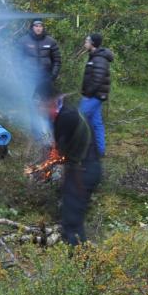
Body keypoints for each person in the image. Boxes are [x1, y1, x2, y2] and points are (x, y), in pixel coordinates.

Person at [53, 101, 102, 246]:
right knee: (72, 218)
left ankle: (79, 260)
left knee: (73, 222)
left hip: (82, 172)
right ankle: (78, 254)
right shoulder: (75, 118)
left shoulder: (72, 119)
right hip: (85, 169)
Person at [19, 18, 61, 144]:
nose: (38, 28)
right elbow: (16, 60)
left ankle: (50, 132)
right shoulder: (23, 41)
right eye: (36, 26)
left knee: (48, 106)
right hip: (30, 81)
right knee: (32, 106)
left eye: (41, 26)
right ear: (32, 27)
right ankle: (37, 135)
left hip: (46, 80)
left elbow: (57, 61)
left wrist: (52, 76)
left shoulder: (50, 41)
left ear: (43, 27)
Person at [79, 33, 113, 156]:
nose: (85, 43)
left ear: (93, 43)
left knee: (79, 119)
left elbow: (98, 80)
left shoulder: (99, 59)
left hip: (94, 96)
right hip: (96, 95)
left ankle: (77, 149)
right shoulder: (95, 56)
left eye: (87, 41)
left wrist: (87, 94)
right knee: (96, 123)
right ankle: (100, 150)